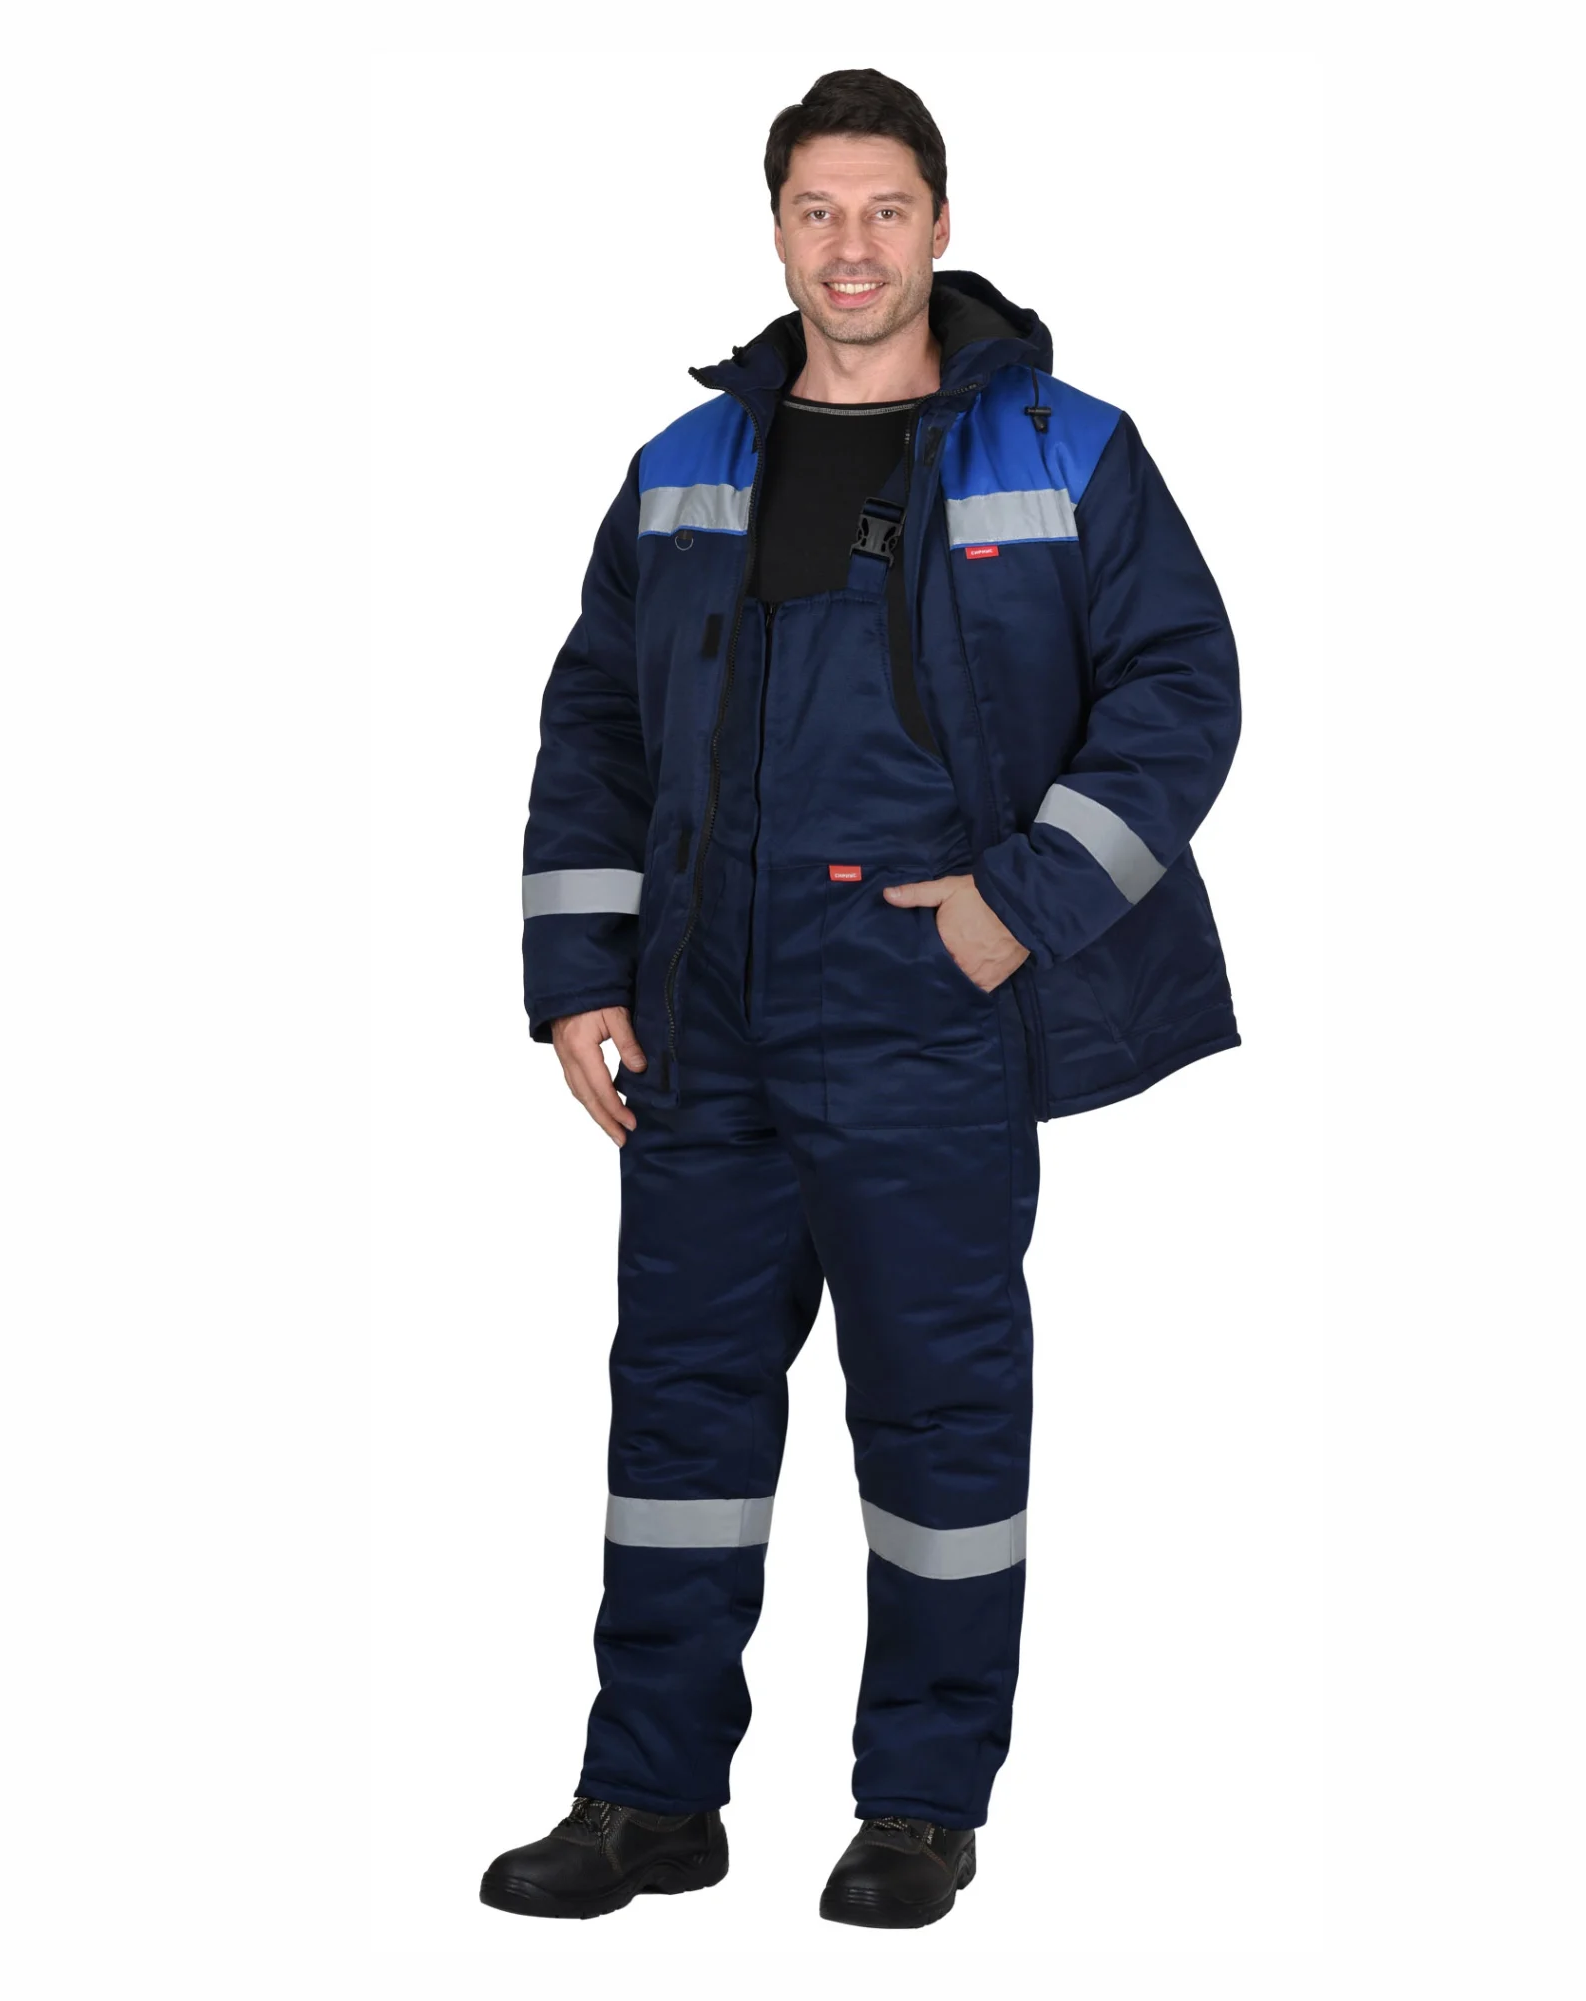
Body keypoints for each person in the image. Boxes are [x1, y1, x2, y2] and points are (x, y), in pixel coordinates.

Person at [480, 67, 1242, 1930]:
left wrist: (1016, 909)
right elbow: (594, 728)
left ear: (940, 225)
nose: (850, 245)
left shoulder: (1064, 450)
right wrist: (578, 977)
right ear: (774, 230)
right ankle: (646, 1798)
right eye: (816, 210)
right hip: (706, 1021)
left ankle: (918, 1804)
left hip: (923, 1011)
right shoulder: (683, 466)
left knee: (936, 1421)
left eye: (883, 208)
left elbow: (1179, 694)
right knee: (677, 1422)